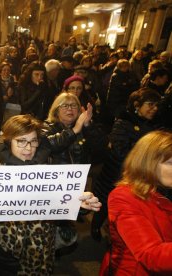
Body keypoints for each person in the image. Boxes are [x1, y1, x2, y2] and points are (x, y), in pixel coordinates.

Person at [0, 114, 101, 275]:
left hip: (42, 246)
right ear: (10, 141)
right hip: (5, 248)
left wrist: (79, 205)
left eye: (33, 141)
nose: (28, 148)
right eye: (21, 141)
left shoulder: (49, 164)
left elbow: (60, 201)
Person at [91, 88, 161, 241]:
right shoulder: (123, 122)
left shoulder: (154, 124)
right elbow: (120, 151)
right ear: (137, 105)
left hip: (138, 177)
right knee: (104, 203)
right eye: (150, 104)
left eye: (156, 105)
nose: (154, 108)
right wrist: (146, 155)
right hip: (116, 174)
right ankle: (95, 226)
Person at [99, 130, 172, 275]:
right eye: (170, 162)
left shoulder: (163, 190)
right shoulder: (124, 196)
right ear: (149, 162)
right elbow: (151, 255)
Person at [43, 92, 106, 165]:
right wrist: (73, 131)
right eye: (65, 105)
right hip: (57, 175)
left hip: (82, 174)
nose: (70, 109)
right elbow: (46, 146)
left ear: (79, 110)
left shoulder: (84, 126)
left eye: (74, 105)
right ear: (56, 111)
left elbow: (101, 147)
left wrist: (88, 126)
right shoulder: (47, 126)